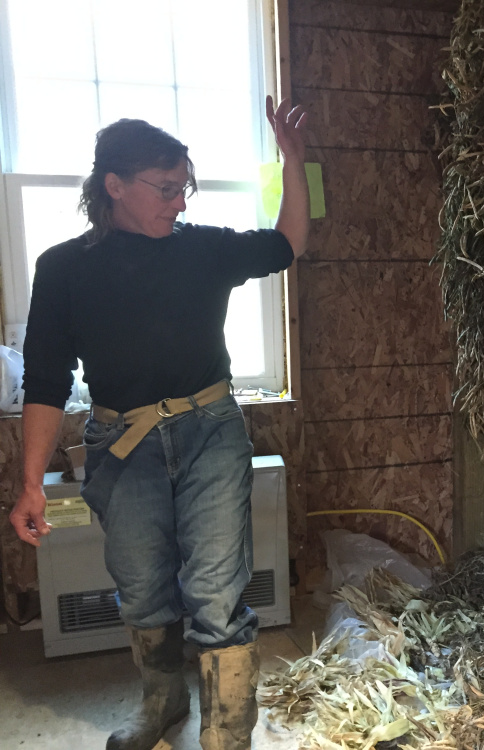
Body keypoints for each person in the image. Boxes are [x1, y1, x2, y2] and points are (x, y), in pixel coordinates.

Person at [7, 95, 309, 750]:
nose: (180, 203)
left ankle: (227, 737)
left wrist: (294, 161)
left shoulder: (200, 249)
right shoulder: (63, 269)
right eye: (167, 189)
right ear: (113, 185)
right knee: (142, 590)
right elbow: (47, 380)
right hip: (121, 446)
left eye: (184, 189)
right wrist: (31, 483)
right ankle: (164, 707)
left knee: (216, 591)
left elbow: (287, 244)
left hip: (210, 432)